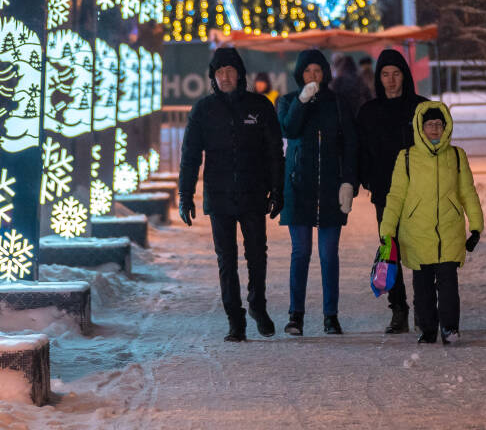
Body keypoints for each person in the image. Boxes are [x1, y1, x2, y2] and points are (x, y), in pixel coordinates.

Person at [178, 47, 285, 342]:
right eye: (219, 72)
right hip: (219, 194)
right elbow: (190, 156)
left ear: (240, 74)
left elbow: (275, 152)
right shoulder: (203, 110)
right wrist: (185, 194)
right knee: (226, 259)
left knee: (256, 256)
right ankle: (235, 318)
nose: (225, 77)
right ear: (213, 77)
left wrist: (277, 190)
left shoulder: (260, 106)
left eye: (230, 71)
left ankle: (257, 306)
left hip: (253, 193)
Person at [378, 102, 484, 344]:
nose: (435, 129)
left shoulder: (457, 156)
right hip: (417, 233)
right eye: (430, 124)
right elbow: (395, 196)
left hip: (449, 230)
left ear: (446, 127)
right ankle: (427, 329)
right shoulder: (406, 158)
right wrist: (387, 231)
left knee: (448, 286)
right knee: (422, 288)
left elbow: (468, 192)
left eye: (439, 124)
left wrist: (476, 226)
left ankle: (449, 328)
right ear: (420, 127)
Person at [276, 49, 358, 336]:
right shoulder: (287, 101)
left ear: (326, 74)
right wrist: (302, 101)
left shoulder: (337, 104)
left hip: (330, 189)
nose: (313, 76)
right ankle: (295, 315)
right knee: (301, 252)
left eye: (318, 71)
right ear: (300, 74)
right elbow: (289, 128)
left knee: (328, 254)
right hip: (299, 188)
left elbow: (350, 145)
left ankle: (330, 315)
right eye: (308, 71)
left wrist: (349, 182)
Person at [356, 49, 428, 333]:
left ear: (405, 76)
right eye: (385, 74)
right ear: (378, 77)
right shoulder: (369, 113)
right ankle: (399, 309)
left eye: (396, 73)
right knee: (391, 249)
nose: (391, 80)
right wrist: (365, 178)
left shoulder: (421, 109)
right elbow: (361, 151)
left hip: (420, 191)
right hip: (386, 192)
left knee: (422, 250)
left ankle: (424, 310)